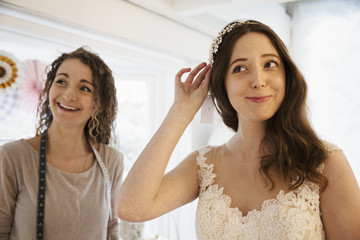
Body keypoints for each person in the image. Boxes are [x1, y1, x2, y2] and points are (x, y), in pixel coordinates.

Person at [117, 20, 360, 239]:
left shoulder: (325, 162)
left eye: (269, 64)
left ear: (286, 76)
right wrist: (181, 112)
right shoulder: (202, 166)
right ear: (222, 84)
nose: (258, 80)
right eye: (240, 68)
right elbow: (130, 207)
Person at [0, 47, 124, 239]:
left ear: (98, 104)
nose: (68, 95)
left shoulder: (112, 161)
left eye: (84, 88)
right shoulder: (12, 157)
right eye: (61, 82)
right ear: (49, 88)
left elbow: (112, 229)